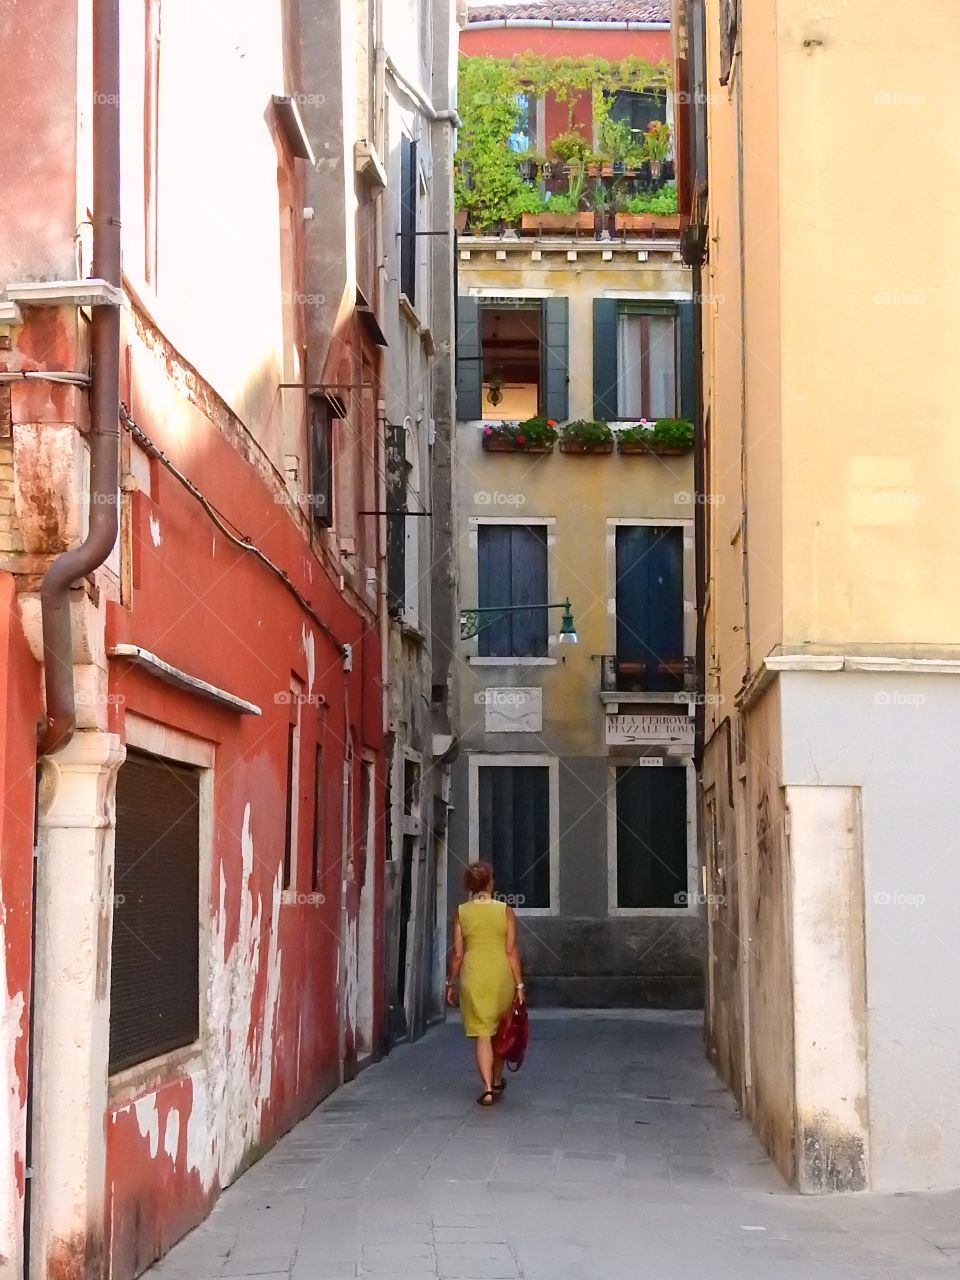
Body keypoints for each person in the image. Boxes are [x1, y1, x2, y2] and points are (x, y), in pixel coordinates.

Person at [446, 861, 525, 1106]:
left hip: (474, 975)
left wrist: (450, 983)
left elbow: (458, 954)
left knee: (482, 1032)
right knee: (499, 1030)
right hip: (500, 975)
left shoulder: (461, 912)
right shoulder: (505, 910)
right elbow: (511, 951)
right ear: (490, 882)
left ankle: (488, 1088)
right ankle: (497, 1078)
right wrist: (520, 985)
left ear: (469, 885)